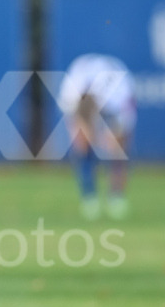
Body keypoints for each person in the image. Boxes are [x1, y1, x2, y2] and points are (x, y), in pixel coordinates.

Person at [57, 53, 136, 220]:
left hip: (118, 88)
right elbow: (75, 126)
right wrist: (88, 135)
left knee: (118, 150)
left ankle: (116, 196)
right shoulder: (71, 92)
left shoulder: (119, 95)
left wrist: (110, 138)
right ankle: (89, 196)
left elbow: (123, 130)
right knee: (82, 145)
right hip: (84, 87)